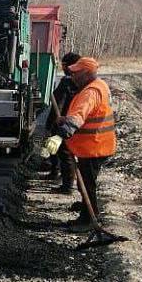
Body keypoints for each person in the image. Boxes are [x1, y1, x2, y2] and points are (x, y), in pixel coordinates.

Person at [55, 57, 116, 232]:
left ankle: (89, 219)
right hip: (95, 144)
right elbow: (88, 114)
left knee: (87, 183)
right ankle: (86, 213)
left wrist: (60, 135)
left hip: (94, 146)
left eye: (76, 73)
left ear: (86, 73)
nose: (72, 76)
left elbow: (79, 116)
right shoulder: (98, 85)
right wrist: (64, 119)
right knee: (86, 182)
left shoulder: (90, 92)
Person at [43, 52, 81, 193]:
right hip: (74, 122)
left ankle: (67, 186)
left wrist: (51, 123)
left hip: (64, 122)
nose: (62, 67)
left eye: (64, 65)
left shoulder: (67, 82)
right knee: (58, 150)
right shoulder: (80, 82)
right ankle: (56, 172)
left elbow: (58, 104)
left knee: (64, 152)